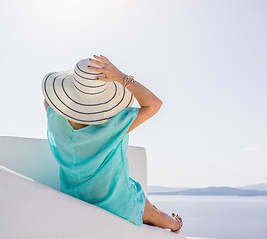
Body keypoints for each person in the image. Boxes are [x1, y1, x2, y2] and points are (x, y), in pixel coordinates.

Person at [42, 55, 183, 234]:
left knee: (142, 200)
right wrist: (121, 77)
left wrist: (74, 92)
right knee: (151, 213)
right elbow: (154, 104)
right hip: (113, 199)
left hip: (74, 195)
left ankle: (165, 217)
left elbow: (48, 99)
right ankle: (176, 224)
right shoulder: (114, 125)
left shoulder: (54, 118)